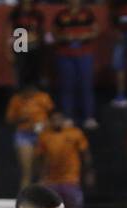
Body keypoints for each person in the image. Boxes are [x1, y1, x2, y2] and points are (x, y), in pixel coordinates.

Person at [35, 110, 92, 208]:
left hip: (71, 180)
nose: (56, 122)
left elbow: (85, 154)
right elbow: (40, 159)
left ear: (63, 120)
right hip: (51, 182)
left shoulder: (75, 133)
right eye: (53, 119)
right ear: (49, 121)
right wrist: (41, 178)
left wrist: (89, 172)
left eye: (59, 119)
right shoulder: (44, 136)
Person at [53, 0, 99, 130]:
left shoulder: (88, 14)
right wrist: (64, 38)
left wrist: (86, 35)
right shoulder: (61, 15)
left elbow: (96, 30)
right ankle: (68, 117)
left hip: (84, 54)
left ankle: (89, 117)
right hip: (65, 55)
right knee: (67, 86)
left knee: (86, 85)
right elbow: (54, 33)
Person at [7, 81, 55, 190]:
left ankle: (41, 200)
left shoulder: (43, 98)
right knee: (26, 171)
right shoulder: (16, 100)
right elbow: (10, 119)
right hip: (24, 135)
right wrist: (21, 119)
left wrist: (45, 124)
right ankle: (24, 202)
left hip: (42, 135)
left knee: (41, 170)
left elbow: (53, 115)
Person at [7, 0, 47, 88]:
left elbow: (42, 32)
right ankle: (21, 100)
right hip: (20, 46)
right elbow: (10, 33)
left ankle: (35, 101)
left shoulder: (37, 13)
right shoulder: (15, 13)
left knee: (35, 77)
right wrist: (9, 51)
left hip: (34, 46)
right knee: (21, 77)